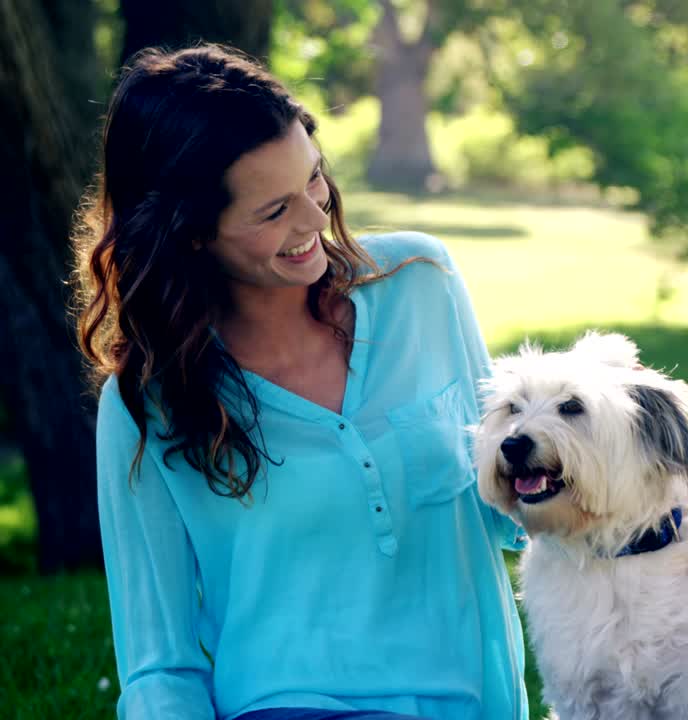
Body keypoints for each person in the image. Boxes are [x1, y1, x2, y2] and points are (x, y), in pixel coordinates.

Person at [75, 45, 528, 720]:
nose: (316, 219)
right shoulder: (149, 406)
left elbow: (520, 510)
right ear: (191, 234)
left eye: (313, 179)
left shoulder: (422, 285)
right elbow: (159, 665)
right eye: (273, 211)